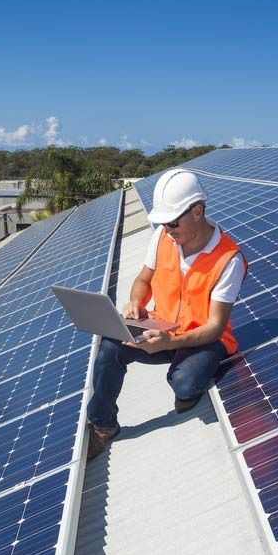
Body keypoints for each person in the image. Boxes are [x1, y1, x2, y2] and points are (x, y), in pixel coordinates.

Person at [85, 169, 247, 459]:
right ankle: (103, 425)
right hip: (160, 326)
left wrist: (168, 343)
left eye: (173, 222)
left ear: (197, 211)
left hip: (204, 339)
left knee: (184, 384)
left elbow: (214, 326)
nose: (168, 230)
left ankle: (191, 378)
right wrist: (135, 303)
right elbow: (143, 280)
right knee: (110, 347)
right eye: (163, 223)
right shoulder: (163, 237)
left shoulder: (228, 259)